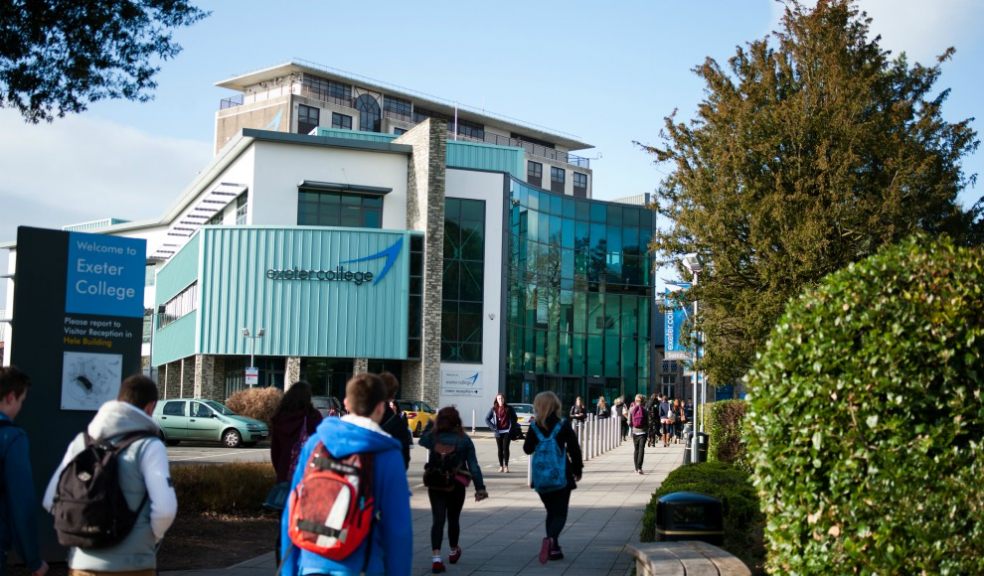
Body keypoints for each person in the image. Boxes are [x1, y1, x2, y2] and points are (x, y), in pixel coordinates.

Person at [43, 374, 177, 576]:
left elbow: (50, 500)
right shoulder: (150, 446)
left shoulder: (81, 442)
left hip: (82, 566)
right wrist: (150, 538)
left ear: (119, 400)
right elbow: (165, 510)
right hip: (134, 565)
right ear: (150, 407)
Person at [279, 373, 411, 576]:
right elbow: (398, 529)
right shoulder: (386, 454)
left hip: (310, 562)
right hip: (360, 565)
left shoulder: (317, 443)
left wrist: (289, 570)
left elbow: (292, 507)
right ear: (380, 407)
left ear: (346, 403)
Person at [419, 407, 488, 574]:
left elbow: (422, 440)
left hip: (436, 483)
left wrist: (431, 423)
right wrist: (480, 488)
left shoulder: (433, 437)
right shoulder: (464, 440)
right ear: (457, 421)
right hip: (456, 484)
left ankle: (436, 558)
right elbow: (473, 465)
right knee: (453, 518)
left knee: (438, 520)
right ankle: (453, 550)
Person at [523, 391, 582, 564]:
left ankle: (554, 548)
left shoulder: (534, 426)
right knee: (560, 513)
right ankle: (551, 540)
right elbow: (574, 448)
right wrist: (577, 469)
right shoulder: (563, 425)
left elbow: (527, 449)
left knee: (551, 511)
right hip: (562, 476)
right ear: (555, 405)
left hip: (541, 478)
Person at [0, 366, 48, 576]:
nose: (20, 407)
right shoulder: (12, 438)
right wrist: (33, 560)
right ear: (11, 397)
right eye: (21, 401)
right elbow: (21, 502)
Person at [271, 381, 323, 483]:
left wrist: (281, 471)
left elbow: (275, 453)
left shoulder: (280, 418)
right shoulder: (313, 416)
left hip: (285, 472)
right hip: (308, 473)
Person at [379, 372, 412, 469]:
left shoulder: (362, 416)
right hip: (388, 471)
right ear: (393, 394)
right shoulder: (397, 423)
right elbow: (404, 461)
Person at [485, 394, 518, 473]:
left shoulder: (509, 408)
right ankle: (501, 466)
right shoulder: (493, 409)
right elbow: (487, 419)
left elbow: (515, 418)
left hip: (507, 431)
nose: (500, 400)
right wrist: (493, 427)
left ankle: (506, 466)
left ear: (504, 399)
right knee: (500, 449)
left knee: (505, 448)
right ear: (496, 400)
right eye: (499, 398)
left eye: (502, 398)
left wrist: (512, 427)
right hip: (498, 432)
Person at [629, 394, 648, 474]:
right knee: (641, 450)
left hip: (635, 432)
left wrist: (633, 426)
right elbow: (647, 421)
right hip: (643, 432)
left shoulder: (631, 409)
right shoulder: (645, 410)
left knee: (636, 450)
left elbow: (629, 422)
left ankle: (636, 468)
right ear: (642, 401)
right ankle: (640, 468)